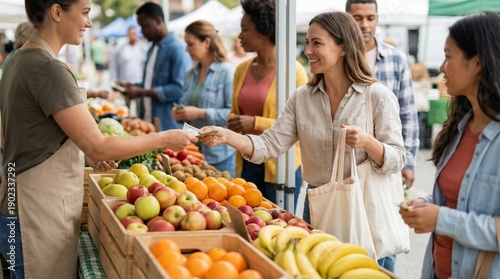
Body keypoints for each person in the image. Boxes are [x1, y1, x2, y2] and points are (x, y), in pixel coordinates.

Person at [0, 1, 197, 278]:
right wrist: (164, 137)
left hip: (18, 196)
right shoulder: (49, 69)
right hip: (36, 208)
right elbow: (99, 144)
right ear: (57, 12)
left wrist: (87, 151)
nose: (89, 23)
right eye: (84, 12)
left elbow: (26, 130)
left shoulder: (18, 59)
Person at [200, 10, 405, 259]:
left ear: (343, 47)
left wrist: (368, 142)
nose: (307, 51)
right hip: (317, 204)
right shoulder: (302, 98)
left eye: (316, 43)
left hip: (363, 206)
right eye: (307, 43)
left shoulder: (377, 96)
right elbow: (269, 145)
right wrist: (226, 135)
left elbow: (397, 159)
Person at [399, 12, 500, 279]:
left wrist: (441, 219)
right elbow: (462, 200)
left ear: (477, 63)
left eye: (448, 56)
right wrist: (426, 204)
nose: (441, 67)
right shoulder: (460, 127)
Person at [346, 0, 420, 271]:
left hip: (387, 162)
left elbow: (408, 115)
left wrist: (409, 161)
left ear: (377, 19)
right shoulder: (337, 58)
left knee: (385, 234)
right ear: (346, 19)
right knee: (351, 244)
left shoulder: (396, 59)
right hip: (349, 168)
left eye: (370, 17)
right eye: (357, 18)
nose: (365, 25)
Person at [227, 0, 308, 209]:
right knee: (248, 219)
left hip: (281, 165)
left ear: (263, 31)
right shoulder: (242, 69)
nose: (240, 36)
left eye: (245, 30)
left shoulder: (293, 71)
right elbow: (235, 112)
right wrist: (234, 122)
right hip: (247, 160)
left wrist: (255, 122)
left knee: (277, 222)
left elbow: (300, 125)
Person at [171, 20, 236, 177]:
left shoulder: (227, 72)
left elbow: (233, 116)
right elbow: (187, 108)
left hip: (219, 155)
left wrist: (200, 113)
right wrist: (179, 114)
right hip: (191, 152)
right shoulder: (190, 74)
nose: (186, 49)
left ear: (207, 42)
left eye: (190, 44)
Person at [118, 2, 192, 131]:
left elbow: (180, 89)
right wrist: (133, 86)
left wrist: (142, 92)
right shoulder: (151, 48)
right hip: (148, 122)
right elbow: (151, 83)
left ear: (158, 21)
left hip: (168, 125)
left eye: (145, 26)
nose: (142, 31)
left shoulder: (177, 49)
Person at [109, 26, 147, 117]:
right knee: (126, 109)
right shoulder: (121, 49)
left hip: (139, 83)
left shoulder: (143, 49)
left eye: (135, 34)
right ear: (127, 35)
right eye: (131, 33)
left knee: (139, 107)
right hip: (125, 83)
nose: (133, 36)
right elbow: (114, 65)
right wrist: (115, 80)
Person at [411, 62, 433, 149]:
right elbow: (427, 92)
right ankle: (422, 142)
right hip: (423, 106)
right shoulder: (426, 83)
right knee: (422, 125)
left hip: (415, 106)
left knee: (415, 125)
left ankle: (416, 141)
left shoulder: (411, 83)